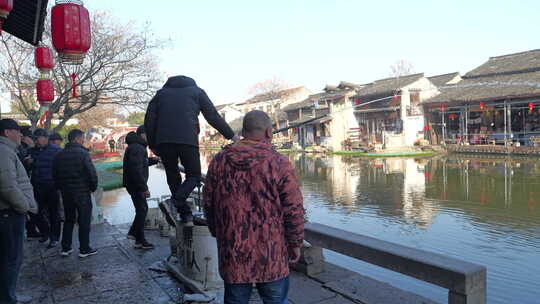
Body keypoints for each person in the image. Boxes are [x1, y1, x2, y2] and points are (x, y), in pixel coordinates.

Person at [203, 111, 304, 304]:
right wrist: (295, 243)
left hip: (233, 251)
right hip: (272, 253)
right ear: (268, 132)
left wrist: (219, 233)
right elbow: (294, 209)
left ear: (243, 131)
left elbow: (208, 202)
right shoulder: (279, 163)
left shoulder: (219, 161)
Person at [144, 75, 240, 225]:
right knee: (194, 176)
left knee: (173, 176)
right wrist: (232, 136)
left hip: (164, 142)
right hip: (187, 140)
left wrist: (153, 144)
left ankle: (185, 214)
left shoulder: (160, 94)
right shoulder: (197, 92)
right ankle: (175, 202)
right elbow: (213, 116)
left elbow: (149, 120)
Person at [0, 119, 38, 304]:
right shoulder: (3, 152)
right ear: (7, 132)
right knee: (11, 258)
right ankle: (9, 298)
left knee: (8, 257)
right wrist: (25, 206)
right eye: (18, 131)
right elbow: (7, 186)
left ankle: (8, 295)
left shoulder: (8, 151)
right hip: (9, 214)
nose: (21, 135)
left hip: (9, 213)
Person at [52, 129, 98, 258]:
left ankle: (65, 248)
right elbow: (92, 174)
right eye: (82, 138)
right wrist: (92, 188)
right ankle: (84, 249)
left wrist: (60, 188)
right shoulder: (83, 153)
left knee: (69, 219)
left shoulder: (59, 154)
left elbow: (55, 174)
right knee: (84, 221)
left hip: (66, 193)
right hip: (82, 192)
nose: (83, 140)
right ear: (78, 139)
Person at [122, 126, 159, 249]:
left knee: (141, 210)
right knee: (142, 210)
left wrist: (153, 161)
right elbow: (136, 170)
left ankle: (138, 239)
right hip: (136, 185)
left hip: (133, 184)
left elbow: (140, 163)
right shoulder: (138, 148)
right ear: (143, 134)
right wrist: (144, 187)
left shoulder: (136, 146)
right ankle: (135, 235)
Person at [30, 128, 63, 248]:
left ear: (45, 138)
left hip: (52, 187)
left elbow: (62, 169)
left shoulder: (57, 151)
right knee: (35, 211)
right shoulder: (32, 151)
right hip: (37, 186)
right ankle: (45, 232)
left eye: (37, 138)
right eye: (35, 139)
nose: (36, 141)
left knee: (54, 213)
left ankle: (54, 238)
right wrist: (30, 162)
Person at [17, 126, 41, 239]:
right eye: (29, 137)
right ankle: (32, 230)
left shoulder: (24, 148)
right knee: (30, 208)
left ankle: (31, 230)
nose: (31, 140)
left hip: (27, 181)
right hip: (21, 184)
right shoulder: (19, 149)